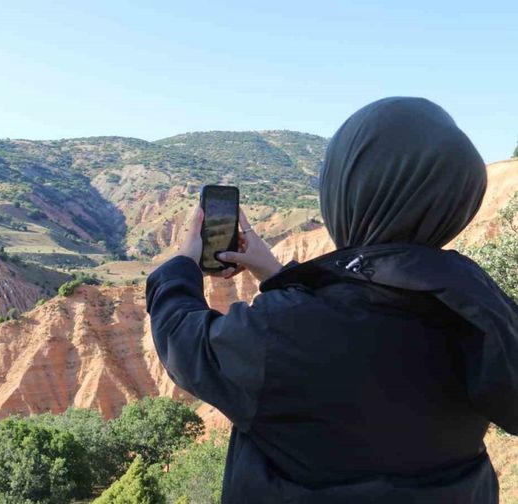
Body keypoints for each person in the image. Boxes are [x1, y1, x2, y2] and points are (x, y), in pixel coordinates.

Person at [146, 97, 518, 503]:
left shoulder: (285, 331)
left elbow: (186, 342)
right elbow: (358, 319)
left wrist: (182, 262)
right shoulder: (483, 308)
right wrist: (275, 272)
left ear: (351, 189)